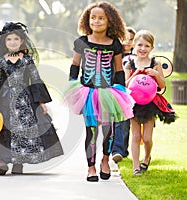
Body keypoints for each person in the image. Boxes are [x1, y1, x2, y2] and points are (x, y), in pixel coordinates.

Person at [65, 1, 135, 182]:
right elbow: (75, 65)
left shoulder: (115, 44)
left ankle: (105, 159)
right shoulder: (81, 42)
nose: (96, 21)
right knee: (91, 131)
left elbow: (119, 70)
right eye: (93, 18)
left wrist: (120, 92)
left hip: (108, 92)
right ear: (87, 20)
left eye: (101, 18)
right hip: (87, 93)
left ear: (109, 21)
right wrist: (73, 87)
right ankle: (91, 167)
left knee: (108, 130)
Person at [0, 22, 64, 176]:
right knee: (4, 129)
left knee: (23, 131)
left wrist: (41, 103)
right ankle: (1, 161)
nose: (13, 42)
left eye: (16, 39)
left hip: (25, 103)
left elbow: (35, 80)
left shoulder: (27, 60)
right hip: (6, 101)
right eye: (9, 40)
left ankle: (18, 162)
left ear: (21, 41)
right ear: (4, 42)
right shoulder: (2, 61)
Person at [124, 30, 176, 175]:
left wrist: (156, 74)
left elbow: (162, 85)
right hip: (133, 104)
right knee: (135, 136)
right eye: (139, 45)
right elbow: (125, 85)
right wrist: (135, 74)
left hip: (150, 104)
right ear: (134, 45)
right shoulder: (130, 64)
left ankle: (146, 157)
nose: (142, 48)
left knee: (147, 138)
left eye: (147, 46)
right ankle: (135, 167)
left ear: (152, 48)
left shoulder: (155, 63)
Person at [112, 26, 136, 163]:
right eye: (125, 38)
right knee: (117, 122)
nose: (127, 42)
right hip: (115, 89)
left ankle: (121, 150)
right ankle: (116, 149)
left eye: (131, 39)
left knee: (125, 123)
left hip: (131, 94)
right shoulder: (114, 54)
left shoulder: (136, 57)